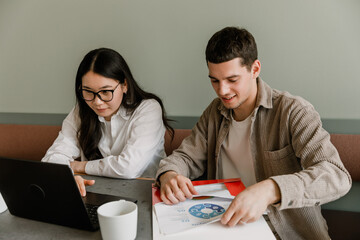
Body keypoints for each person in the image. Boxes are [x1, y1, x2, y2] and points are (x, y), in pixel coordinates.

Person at [156, 27, 351, 239]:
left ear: (255, 69)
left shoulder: (293, 111)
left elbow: (336, 176)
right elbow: (185, 157)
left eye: (232, 80)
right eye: (214, 80)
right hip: (225, 226)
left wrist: (271, 190)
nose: (222, 91)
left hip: (285, 233)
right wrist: (169, 174)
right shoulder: (214, 112)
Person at [42, 48, 173, 196]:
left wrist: (80, 166)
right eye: (88, 91)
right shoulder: (82, 110)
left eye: (105, 92)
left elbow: (128, 167)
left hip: (146, 194)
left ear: (124, 85)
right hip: (96, 193)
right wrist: (69, 176)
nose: (97, 102)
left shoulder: (148, 109)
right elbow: (52, 159)